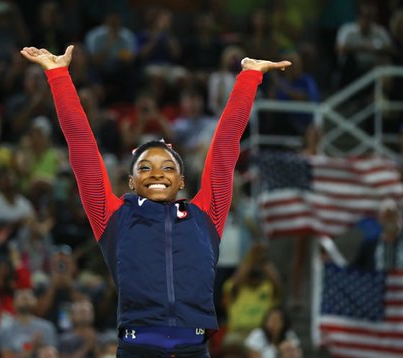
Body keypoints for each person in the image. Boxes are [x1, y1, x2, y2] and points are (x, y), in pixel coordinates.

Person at [20, 44, 290, 357]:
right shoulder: (114, 217)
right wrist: (58, 75)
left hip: (194, 347)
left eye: (167, 167)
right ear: (132, 181)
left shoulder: (206, 215)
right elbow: (82, 147)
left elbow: (226, 147)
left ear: (182, 180)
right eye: (145, 167)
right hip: (138, 347)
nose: (156, 173)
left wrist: (249, 77)